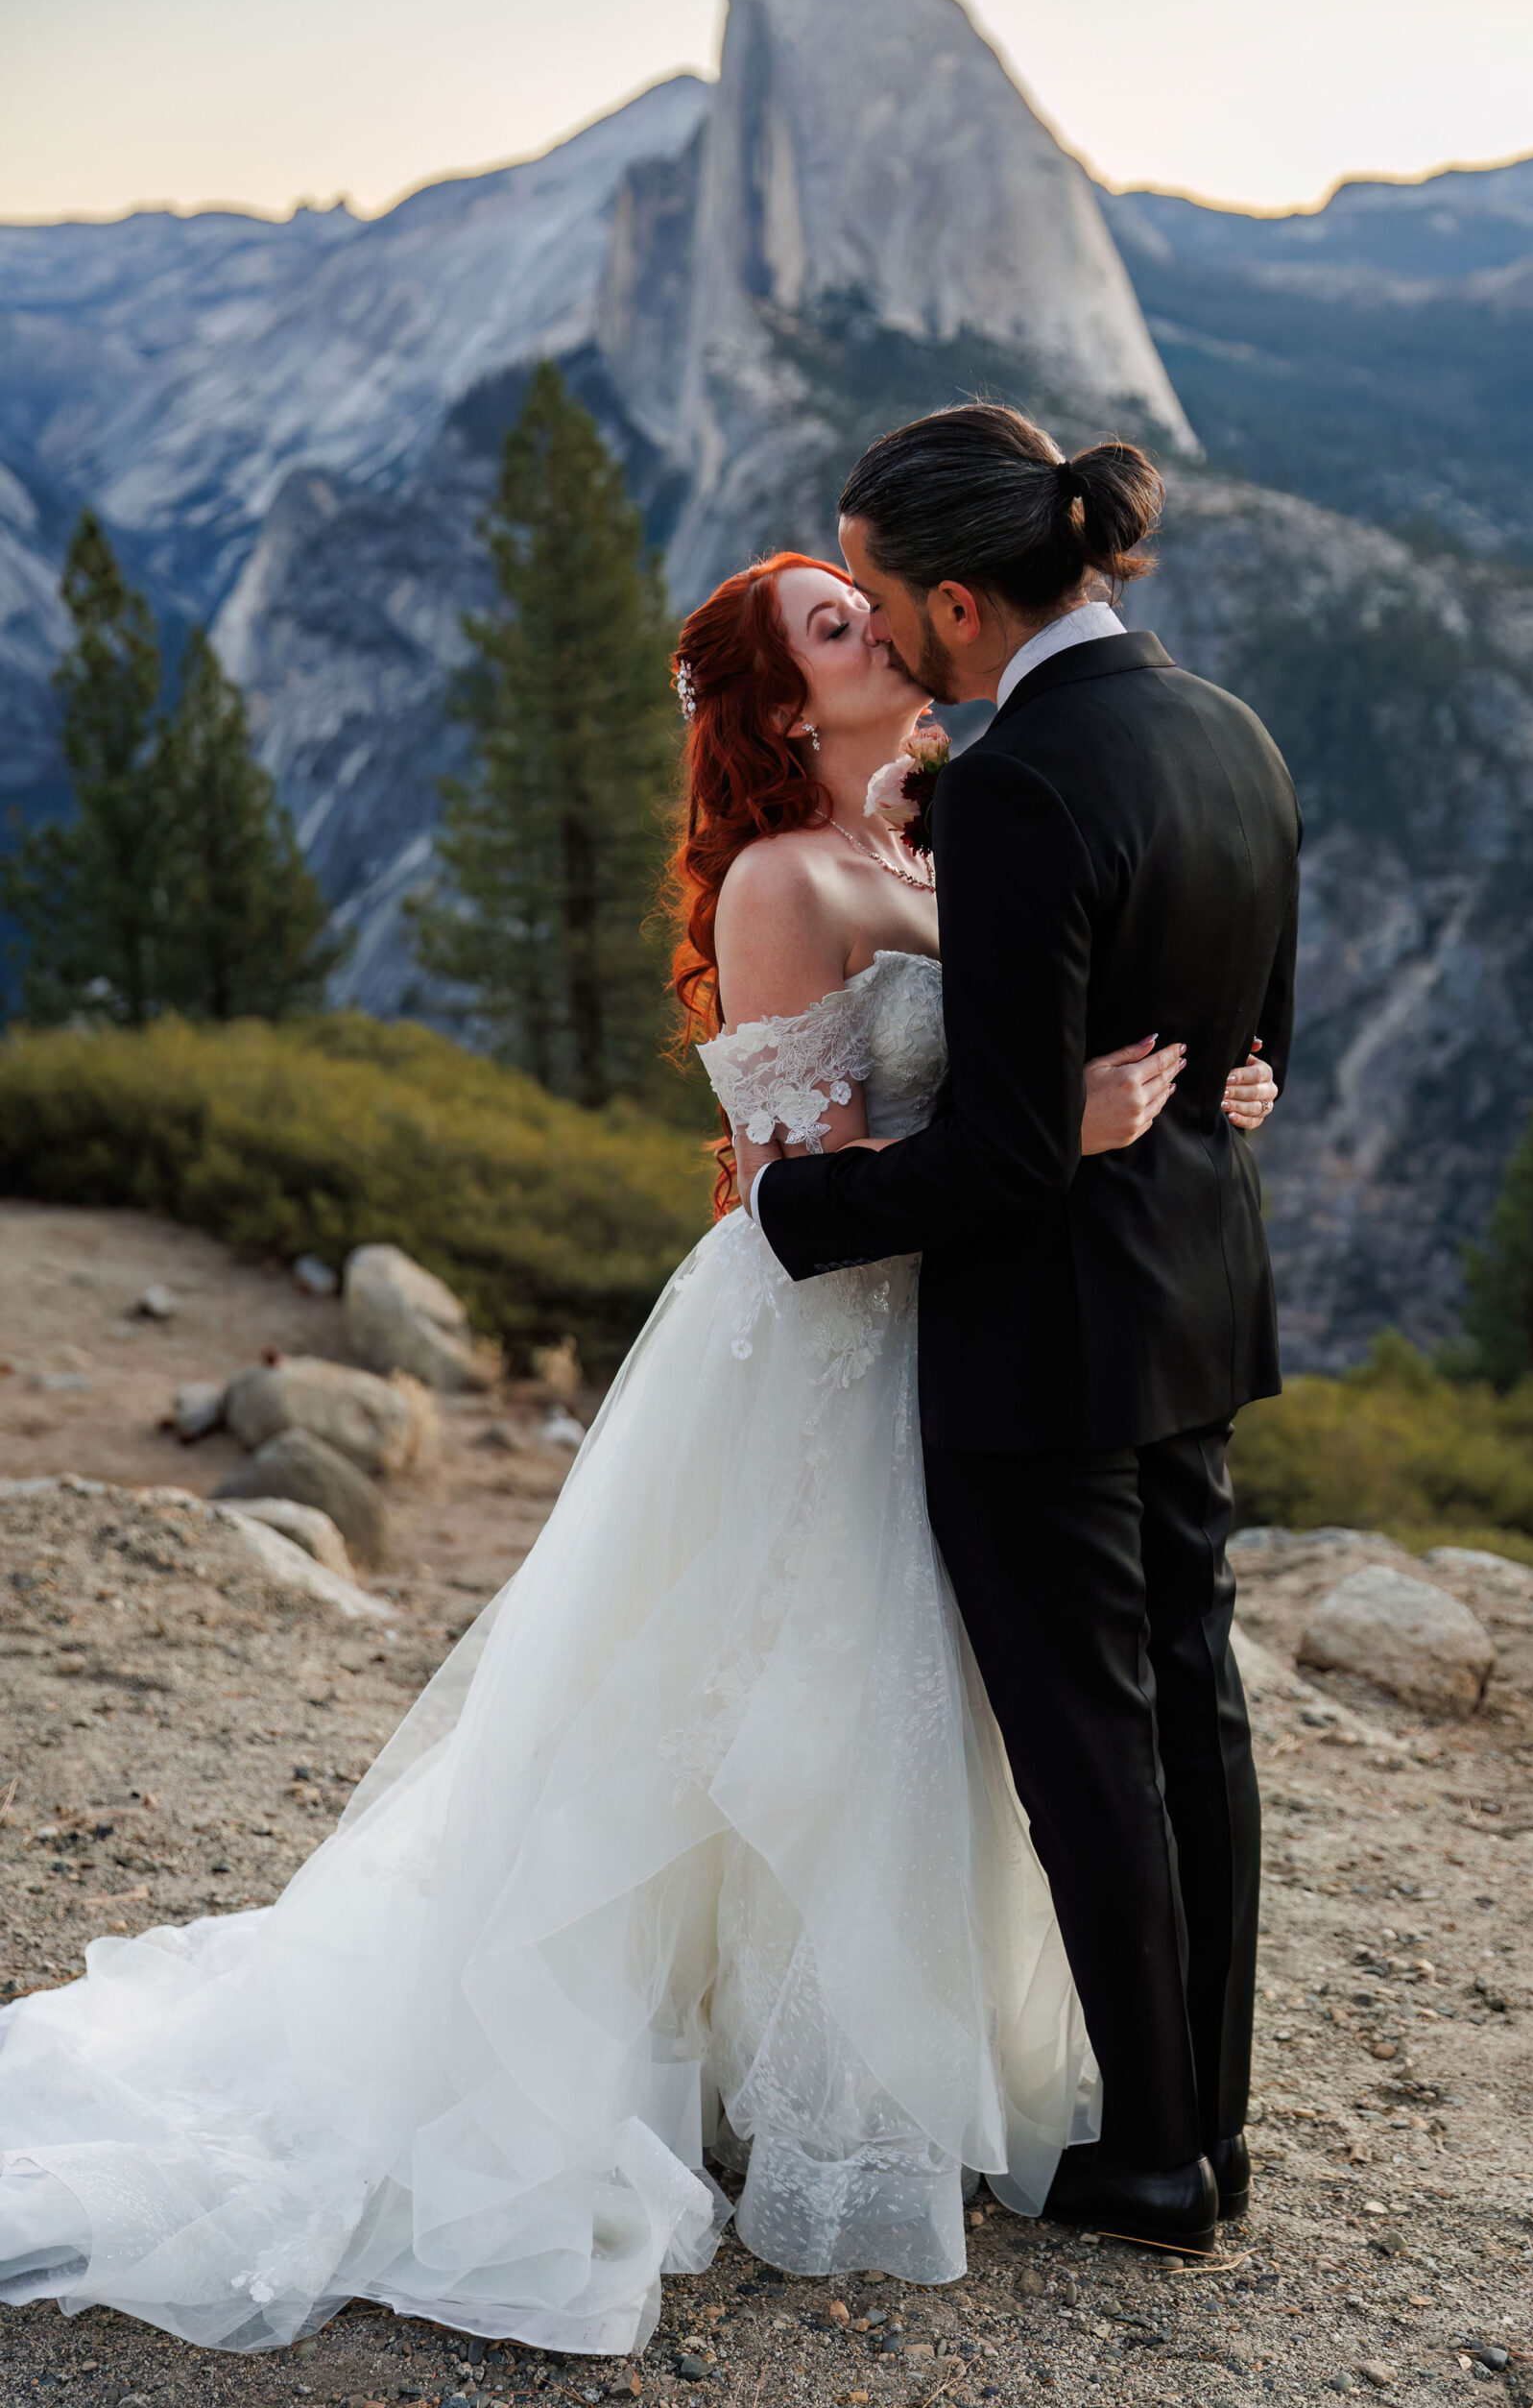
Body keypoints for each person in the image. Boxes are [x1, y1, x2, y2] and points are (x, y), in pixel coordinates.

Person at [0, 544, 1277, 2360]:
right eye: (838, 627)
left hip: (974, 1339)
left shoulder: (943, 834)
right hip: (833, 1344)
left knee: (927, 1719)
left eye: (874, 601)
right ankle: (726, 2064)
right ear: (778, 708)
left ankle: (898, 2063)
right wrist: (1058, 1133)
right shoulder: (782, 881)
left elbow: (1061, 1021)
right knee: (782, 1706)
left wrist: (1209, 1084)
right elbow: (793, 1196)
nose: (887, 629)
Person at [754, 407, 1303, 2252]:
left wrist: (794, 1205)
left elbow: (999, 1157)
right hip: (1197, 1310)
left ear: (967, 604)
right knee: (1197, 1712)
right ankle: (1203, 2129)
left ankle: (1151, 2165)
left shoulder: (1018, 787)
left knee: (1091, 1745)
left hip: (1043, 1349)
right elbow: (1253, 1052)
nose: (885, 636)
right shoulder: (1231, 729)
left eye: (891, 600)